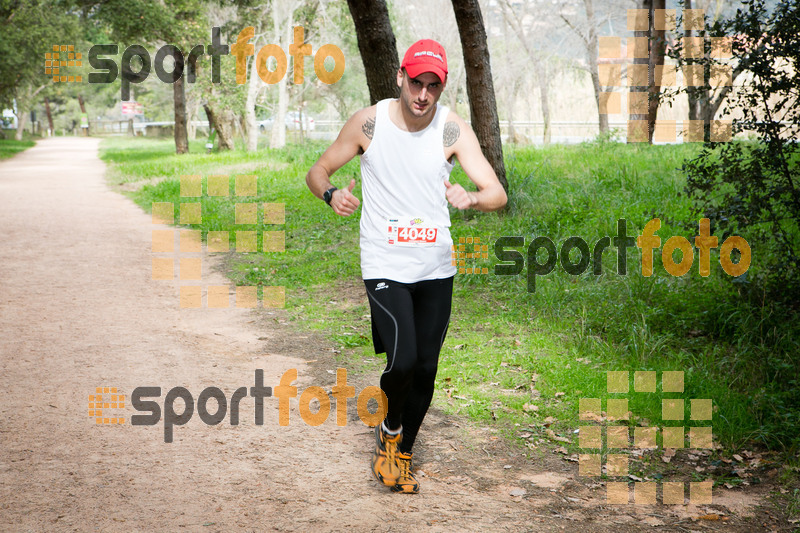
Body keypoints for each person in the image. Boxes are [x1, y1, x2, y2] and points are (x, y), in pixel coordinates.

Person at [305, 39, 507, 494]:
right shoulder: (369, 124)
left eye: (432, 86)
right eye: (416, 82)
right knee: (403, 362)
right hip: (384, 261)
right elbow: (318, 170)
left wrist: (472, 197)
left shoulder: (451, 130)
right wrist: (331, 193)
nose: (423, 94)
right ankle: (391, 425)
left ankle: (401, 452)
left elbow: (497, 191)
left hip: (435, 266)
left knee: (427, 368)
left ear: (441, 87)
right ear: (401, 76)